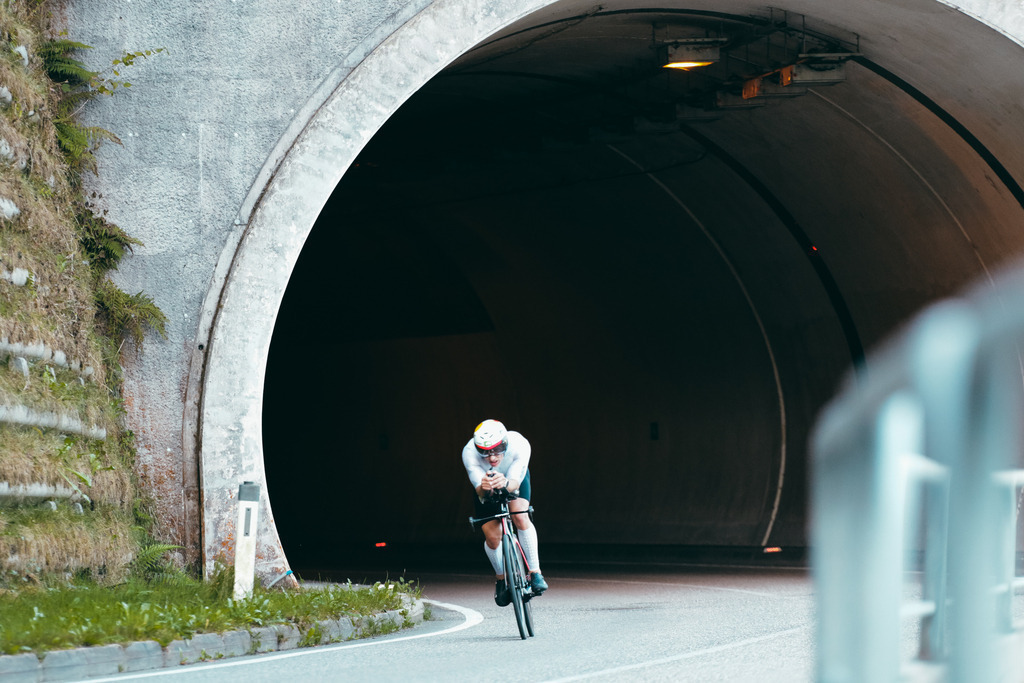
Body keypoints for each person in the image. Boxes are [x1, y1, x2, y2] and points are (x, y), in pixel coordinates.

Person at [462, 419, 548, 606]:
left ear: (505, 443)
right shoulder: (469, 452)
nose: (492, 457)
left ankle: (535, 572)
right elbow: (480, 490)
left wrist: (506, 483)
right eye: (484, 452)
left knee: (520, 515)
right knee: (493, 537)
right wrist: (485, 488)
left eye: (497, 450)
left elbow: (515, 482)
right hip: (486, 484)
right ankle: (501, 578)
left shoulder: (519, 444)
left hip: (512, 478)